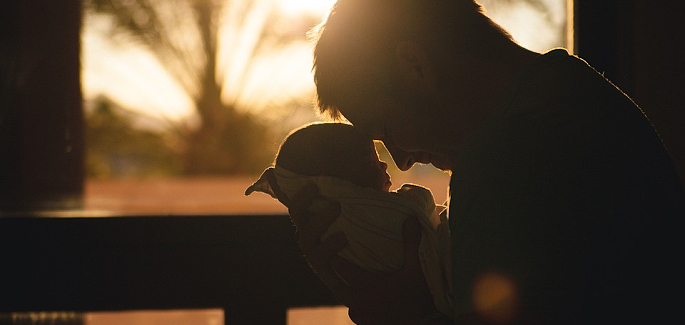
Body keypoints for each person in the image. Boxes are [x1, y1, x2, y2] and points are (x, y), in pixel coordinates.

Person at [286, 0, 685, 324]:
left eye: (386, 129)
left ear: (415, 65)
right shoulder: (577, 94)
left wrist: (401, 314)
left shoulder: (505, 152)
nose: (402, 162)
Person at [245, 122, 453, 317]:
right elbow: (421, 210)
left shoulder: (333, 232)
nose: (387, 164)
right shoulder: (360, 219)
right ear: (334, 185)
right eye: (370, 162)